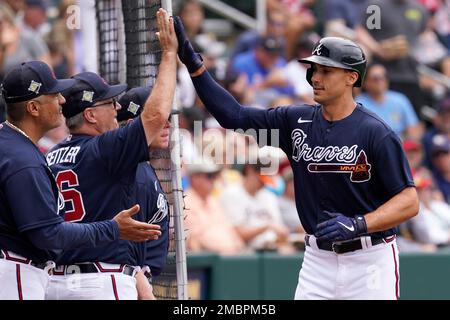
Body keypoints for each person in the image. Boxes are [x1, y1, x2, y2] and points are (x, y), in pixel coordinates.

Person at [174, 17, 419, 299]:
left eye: (326, 71)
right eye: (314, 69)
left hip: (370, 258)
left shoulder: (377, 132)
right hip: (318, 259)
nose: (315, 77)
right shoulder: (295, 120)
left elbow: (408, 201)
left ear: (352, 77)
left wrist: (359, 223)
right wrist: (193, 63)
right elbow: (234, 116)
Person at [45, 8, 177, 300]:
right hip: (101, 280)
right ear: (90, 115)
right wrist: (169, 56)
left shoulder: (51, 155)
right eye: (109, 103)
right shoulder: (104, 149)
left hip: (53, 281)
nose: (117, 108)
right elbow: (154, 117)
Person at [0, 60, 160, 300]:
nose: (62, 101)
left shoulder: (13, 146)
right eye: (54, 95)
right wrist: (112, 229)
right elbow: (48, 234)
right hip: (16, 273)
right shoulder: (23, 160)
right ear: (33, 108)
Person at [116, 86, 171, 299]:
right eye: (159, 119)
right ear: (132, 126)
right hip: (129, 281)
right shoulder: (132, 171)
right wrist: (144, 290)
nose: (167, 125)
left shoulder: (142, 167)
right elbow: (122, 245)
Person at [356, 63, 422, 139]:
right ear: (365, 82)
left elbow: (413, 128)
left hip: (398, 145)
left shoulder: (400, 99)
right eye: (376, 78)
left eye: (384, 77)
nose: (380, 81)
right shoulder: (358, 103)